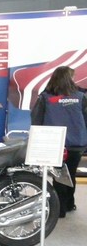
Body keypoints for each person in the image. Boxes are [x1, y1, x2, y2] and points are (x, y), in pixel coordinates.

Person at [31, 65, 87, 218]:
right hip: (76, 143)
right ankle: (69, 203)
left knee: (58, 175)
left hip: (53, 142)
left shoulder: (45, 97)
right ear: (69, 78)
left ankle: (59, 208)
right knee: (71, 173)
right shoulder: (81, 97)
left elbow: (36, 119)